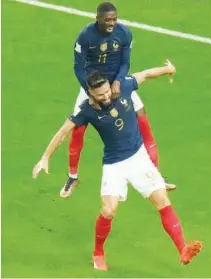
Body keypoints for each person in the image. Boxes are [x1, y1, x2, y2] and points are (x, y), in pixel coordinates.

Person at [32, 60, 202, 271]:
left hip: (139, 158)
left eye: (106, 91)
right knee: (108, 210)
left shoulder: (123, 87)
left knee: (162, 201)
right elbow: (64, 131)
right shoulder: (86, 110)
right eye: (100, 94)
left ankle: (182, 249)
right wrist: (45, 157)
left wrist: (168, 69)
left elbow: (146, 74)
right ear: (91, 93)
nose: (106, 96)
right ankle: (98, 253)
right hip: (114, 164)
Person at [64, 1, 175, 198]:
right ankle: (73, 177)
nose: (111, 23)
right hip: (92, 87)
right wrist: (90, 92)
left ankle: (156, 176)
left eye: (114, 19)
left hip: (118, 85)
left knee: (143, 122)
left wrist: (117, 82)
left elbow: (125, 62)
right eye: (107, 19)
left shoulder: (124, 33)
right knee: (77, 128)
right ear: (97, 18)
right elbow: (78, 68)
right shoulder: (85, 36)